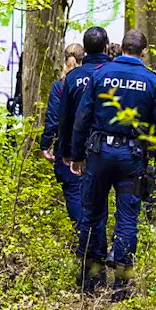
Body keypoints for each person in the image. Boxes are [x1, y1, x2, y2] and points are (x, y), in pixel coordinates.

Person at [70, 29, 156, 301]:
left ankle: (90, 280)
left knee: (92, 214)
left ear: (120, 47)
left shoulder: (100, 74)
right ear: (144, 51)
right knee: (127, 218)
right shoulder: (152, 81)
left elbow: (83, 117)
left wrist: (77, 155)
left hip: (99, 154)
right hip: (132, 158)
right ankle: (121, 287)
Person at [57, 27, 113, 253]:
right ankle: (97, 251)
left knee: (89, 202)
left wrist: (66, 151)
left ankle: (90, 252)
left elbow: (65, 118)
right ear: (106, 46)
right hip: (107, 147)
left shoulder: (72, 77)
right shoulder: (112, 73)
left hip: (82, 146)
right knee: (100, 201)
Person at [40, 43, 86, 228]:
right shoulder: (94, 82)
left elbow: (53, 118)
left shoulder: (60, 85)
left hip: (67, 147)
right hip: (92, 146)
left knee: (73, 191)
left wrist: (46, 144)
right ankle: (91, 233)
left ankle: (82, 232)